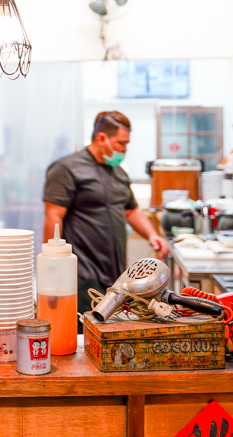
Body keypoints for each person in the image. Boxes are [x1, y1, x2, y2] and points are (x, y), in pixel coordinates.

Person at [42, 110, 169, 322]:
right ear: (102, 138)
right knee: (84, 332)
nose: (124, 150)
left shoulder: (118, 172)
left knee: (110, 330)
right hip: (81, 274)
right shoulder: (67, 169)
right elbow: (53, 216)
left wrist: (152, 234)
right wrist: (53, 274)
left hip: (116, 275)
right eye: (121, 143)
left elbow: (131, 209)